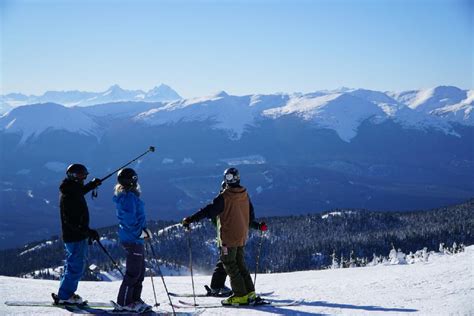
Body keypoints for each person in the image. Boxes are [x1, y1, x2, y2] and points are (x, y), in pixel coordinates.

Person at [182, 168, 268, 306]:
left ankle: (240, 295)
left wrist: (190, 220)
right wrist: (257, 226)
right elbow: (249, 218)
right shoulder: (244, 195)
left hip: (228, 238)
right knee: (240, 265)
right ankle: (250, 292)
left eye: (229, 177)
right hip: (241, 237)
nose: (228, 180)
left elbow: (208, 211)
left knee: (229, 265)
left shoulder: (224, 197)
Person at [55, 163, 102, 305]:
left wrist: (92, 185)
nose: (83, 178)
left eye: (84, 175)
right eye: (81, 175)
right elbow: (72, 222)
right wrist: (87, 231)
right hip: (75, 236)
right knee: (76, 266)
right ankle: (65, 296)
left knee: (72, 265)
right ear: (73, 176)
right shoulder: (69, 195)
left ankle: (64, 293)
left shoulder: (70, 189)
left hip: (73, 235)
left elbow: (79, 192)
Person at [113, 168, 153, 312]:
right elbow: (129, 221)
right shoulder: (128, 198)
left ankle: (135, 299)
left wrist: (143, 231)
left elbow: (135, 218)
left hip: (136, 239)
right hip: (132, 239)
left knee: (140, 272)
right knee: (133, 272)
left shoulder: (130, 196)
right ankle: (124, 303)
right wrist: (140, 232)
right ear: (132, 181)